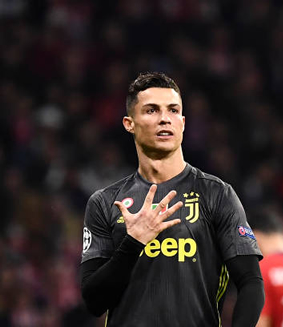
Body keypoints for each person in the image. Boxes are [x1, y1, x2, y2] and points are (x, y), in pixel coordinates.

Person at [80, 72, 264, 326]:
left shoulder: (216, 194)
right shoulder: (105, 202)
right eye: (151, 110)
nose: (165, 119)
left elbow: (251, 283)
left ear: (183, 122)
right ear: (129, 123)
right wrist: (133, 242)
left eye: (173, 110)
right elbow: (94, 302)